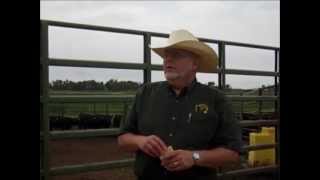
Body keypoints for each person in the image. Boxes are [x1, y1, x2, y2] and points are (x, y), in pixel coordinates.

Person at [117, 29, 242, 180]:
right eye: (166, 56)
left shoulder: (216, 99)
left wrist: (194, 157)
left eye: (176, 55)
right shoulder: (145, 93)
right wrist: (141, 141)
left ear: (194, 64)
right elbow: (123, 140)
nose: (168, 60)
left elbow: (232, 154)